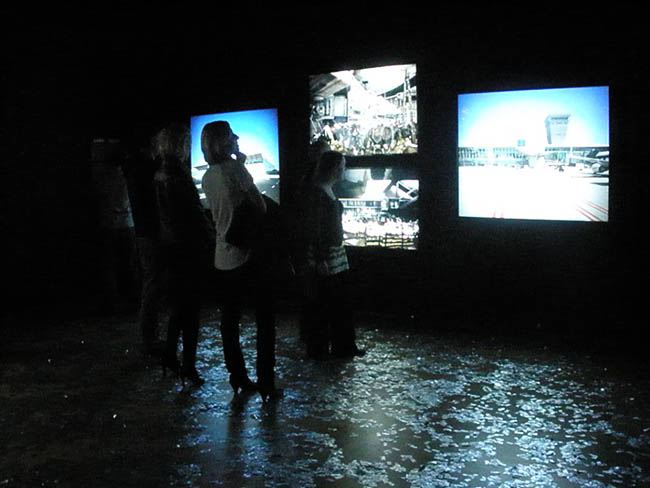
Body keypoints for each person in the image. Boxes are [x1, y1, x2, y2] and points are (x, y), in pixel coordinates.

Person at [200, 120, 281, 402]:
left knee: (229, 322)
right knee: (264, 320)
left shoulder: (207, 176)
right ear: (225, 142)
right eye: (233, 137)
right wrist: (242, 166)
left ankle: (237, 376)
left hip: (222, 257)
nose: (237, 140)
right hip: (249, 256)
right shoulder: (236, 170)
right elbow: (260, 206)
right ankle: (266, 381)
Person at [152, 122, 212, 387]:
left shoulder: (160, 173)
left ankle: (170, 356)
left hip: (170, 246)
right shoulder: (178, 176)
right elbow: (193, 214)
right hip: (188, 248)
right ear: (180, 146)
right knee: (191, 310)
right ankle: (188, 365)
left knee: (179, 307)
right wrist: (210, 235)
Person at [303, 150, 365, 359]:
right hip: (328, 256)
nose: (344, 170)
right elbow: (315, 228)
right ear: (335, 169)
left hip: (334, 254)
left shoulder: (322, 190)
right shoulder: (319, 194)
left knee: (337, 301)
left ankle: (340, 346)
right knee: (331, 302)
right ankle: (330, 347)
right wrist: (320, 258)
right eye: (343, 166)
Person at [120, 126, 164, 356]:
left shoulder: (135, 167)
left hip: (144, 231)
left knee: (152, 283)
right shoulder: (145, 169)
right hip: (151, 232)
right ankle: (149, 336)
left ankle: (150, 334)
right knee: (153, 284)